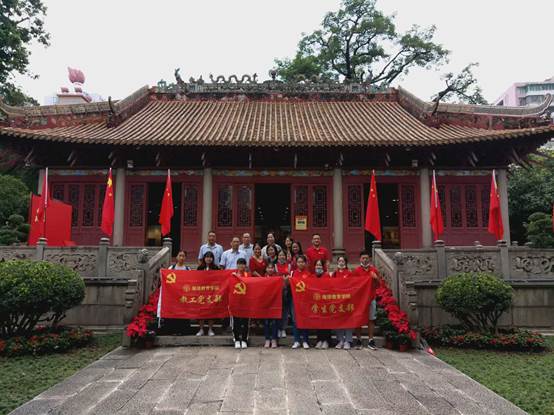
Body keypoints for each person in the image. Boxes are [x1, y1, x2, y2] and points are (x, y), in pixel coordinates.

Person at [352, 250, 380, 350]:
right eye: (363, 258)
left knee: (371, 319)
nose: (365, 260)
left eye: (366, 258)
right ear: (360, 259)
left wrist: (376, 278)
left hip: (371, 298)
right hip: (360, 300)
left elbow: (378, 285)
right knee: (358, 319)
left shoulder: (374, 270)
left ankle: (371, 340)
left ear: (370, 259)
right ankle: (358, 340)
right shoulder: (356, 271)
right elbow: (353, 285)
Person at [290, 255, 311, 349]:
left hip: (305, 300)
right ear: (296, 263)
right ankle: (297, 340)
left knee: (305, 319)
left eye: (302, 262)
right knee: (295, 320)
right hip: (294, 300)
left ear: (305, 263)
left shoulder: (309, 274)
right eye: (299, 262)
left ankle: (305, 340)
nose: (300, 264)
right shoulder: (293, 273)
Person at [332, 256, 353, 349]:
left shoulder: (349, 273)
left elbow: (353, 285)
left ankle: (348, 340)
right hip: (337, 300)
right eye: (339, 261)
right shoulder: (334, 274)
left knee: (348, 320)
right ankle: (340, 340)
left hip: (348, 300)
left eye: (343, 261)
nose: (341, 262)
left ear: (346, 262)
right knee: (338, 321)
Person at [196, 251, 218, 336]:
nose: (209, 259)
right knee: (201, 311)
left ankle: (210, 329)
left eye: (210, 257)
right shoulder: (200, 268)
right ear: (204, 258)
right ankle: (201, 329)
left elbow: (219, 279)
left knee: (211, 311)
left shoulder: (216, 268)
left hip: (212, 292)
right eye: (207, 257)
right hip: (201, 292)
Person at [313, 259, 332, 349]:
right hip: (316, 303)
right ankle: (319, 340)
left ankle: (326, 340)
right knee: (318, 322)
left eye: (320, 265)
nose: (318, 267)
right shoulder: (312, 277)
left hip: (325, 302)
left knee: (326, 322)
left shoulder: (327, 276)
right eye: (317, 265)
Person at [232, 258, 250, 349]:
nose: (241, 266)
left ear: (245, 265)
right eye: (239, 264)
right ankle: (236, 339)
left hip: (246, 302)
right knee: (236, 322)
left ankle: (244, 339)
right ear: (237, 265)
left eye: (243, 264)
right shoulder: (232, 275)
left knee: (245, 322)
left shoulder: (248, 275)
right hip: (235, 302)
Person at [263, 262, 280, 348]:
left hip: (275, 303)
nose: (270, 269)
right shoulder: (263, 278)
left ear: (274, 269)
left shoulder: (277, 278)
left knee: (274, 322)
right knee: (266, 322)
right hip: (265, 303)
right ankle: (267, 339)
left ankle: (274, 339)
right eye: (268, 268)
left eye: (272, 268)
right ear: (266, 269)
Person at [275, 250, 291, 338]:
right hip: (277, 291)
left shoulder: (289, 266)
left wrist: (287, 280)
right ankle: (278, 328)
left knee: (285, 310)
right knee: (278, 310)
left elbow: (291, 277)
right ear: (277, 256)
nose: (281, 257)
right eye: (280, 255)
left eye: (283, 255)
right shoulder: (275, 266)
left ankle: (283, 329)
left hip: (287, 290)